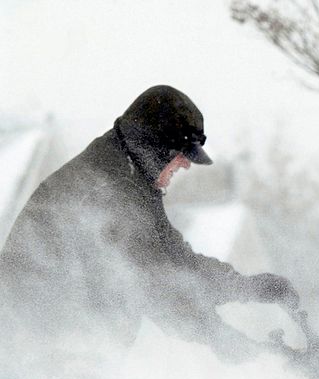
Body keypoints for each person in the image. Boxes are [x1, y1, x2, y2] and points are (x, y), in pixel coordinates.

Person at [0, 85, 299, 363]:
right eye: (181, 154)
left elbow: (175, 260)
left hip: (69, 355)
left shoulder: (131, 180)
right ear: (153, 147)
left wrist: (245, 287)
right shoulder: (107, 190)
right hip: (40, 355)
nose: (186, 164)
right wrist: (217, 334)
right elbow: (151, 283)